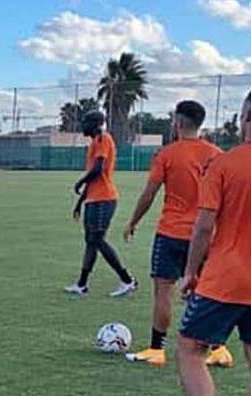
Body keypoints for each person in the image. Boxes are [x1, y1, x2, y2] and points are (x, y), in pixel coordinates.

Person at [164, 89, 251, 396]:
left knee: (189, 349)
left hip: (226, 278)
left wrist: (190, 273)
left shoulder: (224, 164)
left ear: (245, 118)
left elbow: (203, 227)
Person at [123, 100, 232, 368]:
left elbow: (149, 193)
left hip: (171, 233)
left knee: (164, 291)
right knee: (206, 293)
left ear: (179, 123)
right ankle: (217, 349)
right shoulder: (217, 155)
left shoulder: (167, 154)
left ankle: (157, 349)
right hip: (206, 236)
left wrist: (133, 221)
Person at [66, 111, 137, 298]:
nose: (83, 126)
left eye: (85, 122)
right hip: (94, 199)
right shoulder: (94, 142)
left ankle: (127, 280)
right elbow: (93, 176)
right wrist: (80, 202)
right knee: (90, 240)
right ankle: (82, 284)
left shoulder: (102, 139)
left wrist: (80, 182)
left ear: (96, 123)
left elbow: (98, 170)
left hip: (104, 199)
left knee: (96, 239)